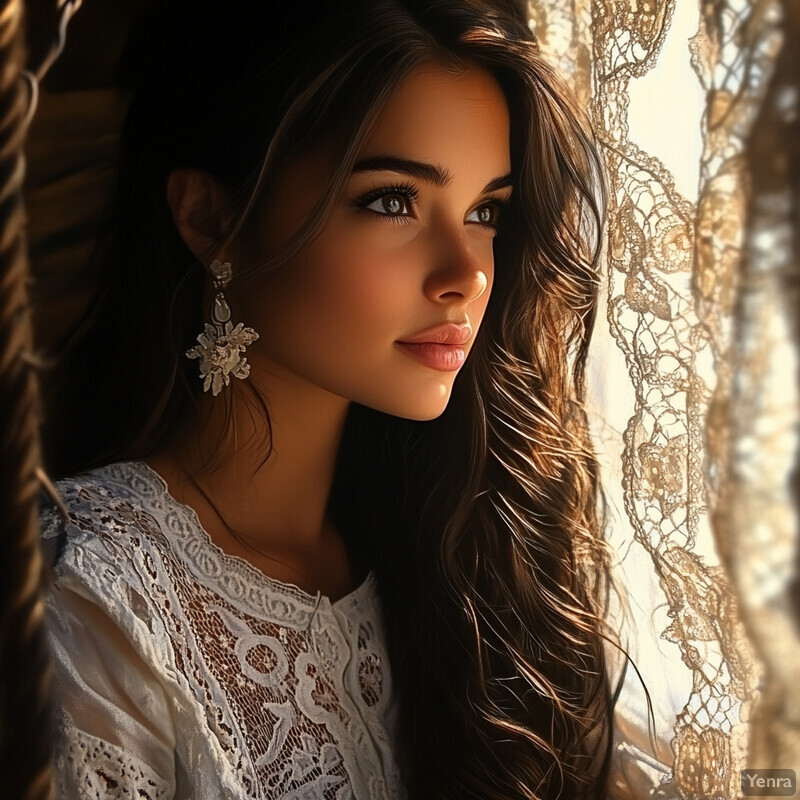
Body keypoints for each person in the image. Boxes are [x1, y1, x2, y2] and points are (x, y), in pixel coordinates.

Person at [39, 1, 631, 797]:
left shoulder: (463, 550)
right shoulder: (93, 601)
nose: (468, 273)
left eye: (486, 211)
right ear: (212, 218)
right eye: (392, 200)